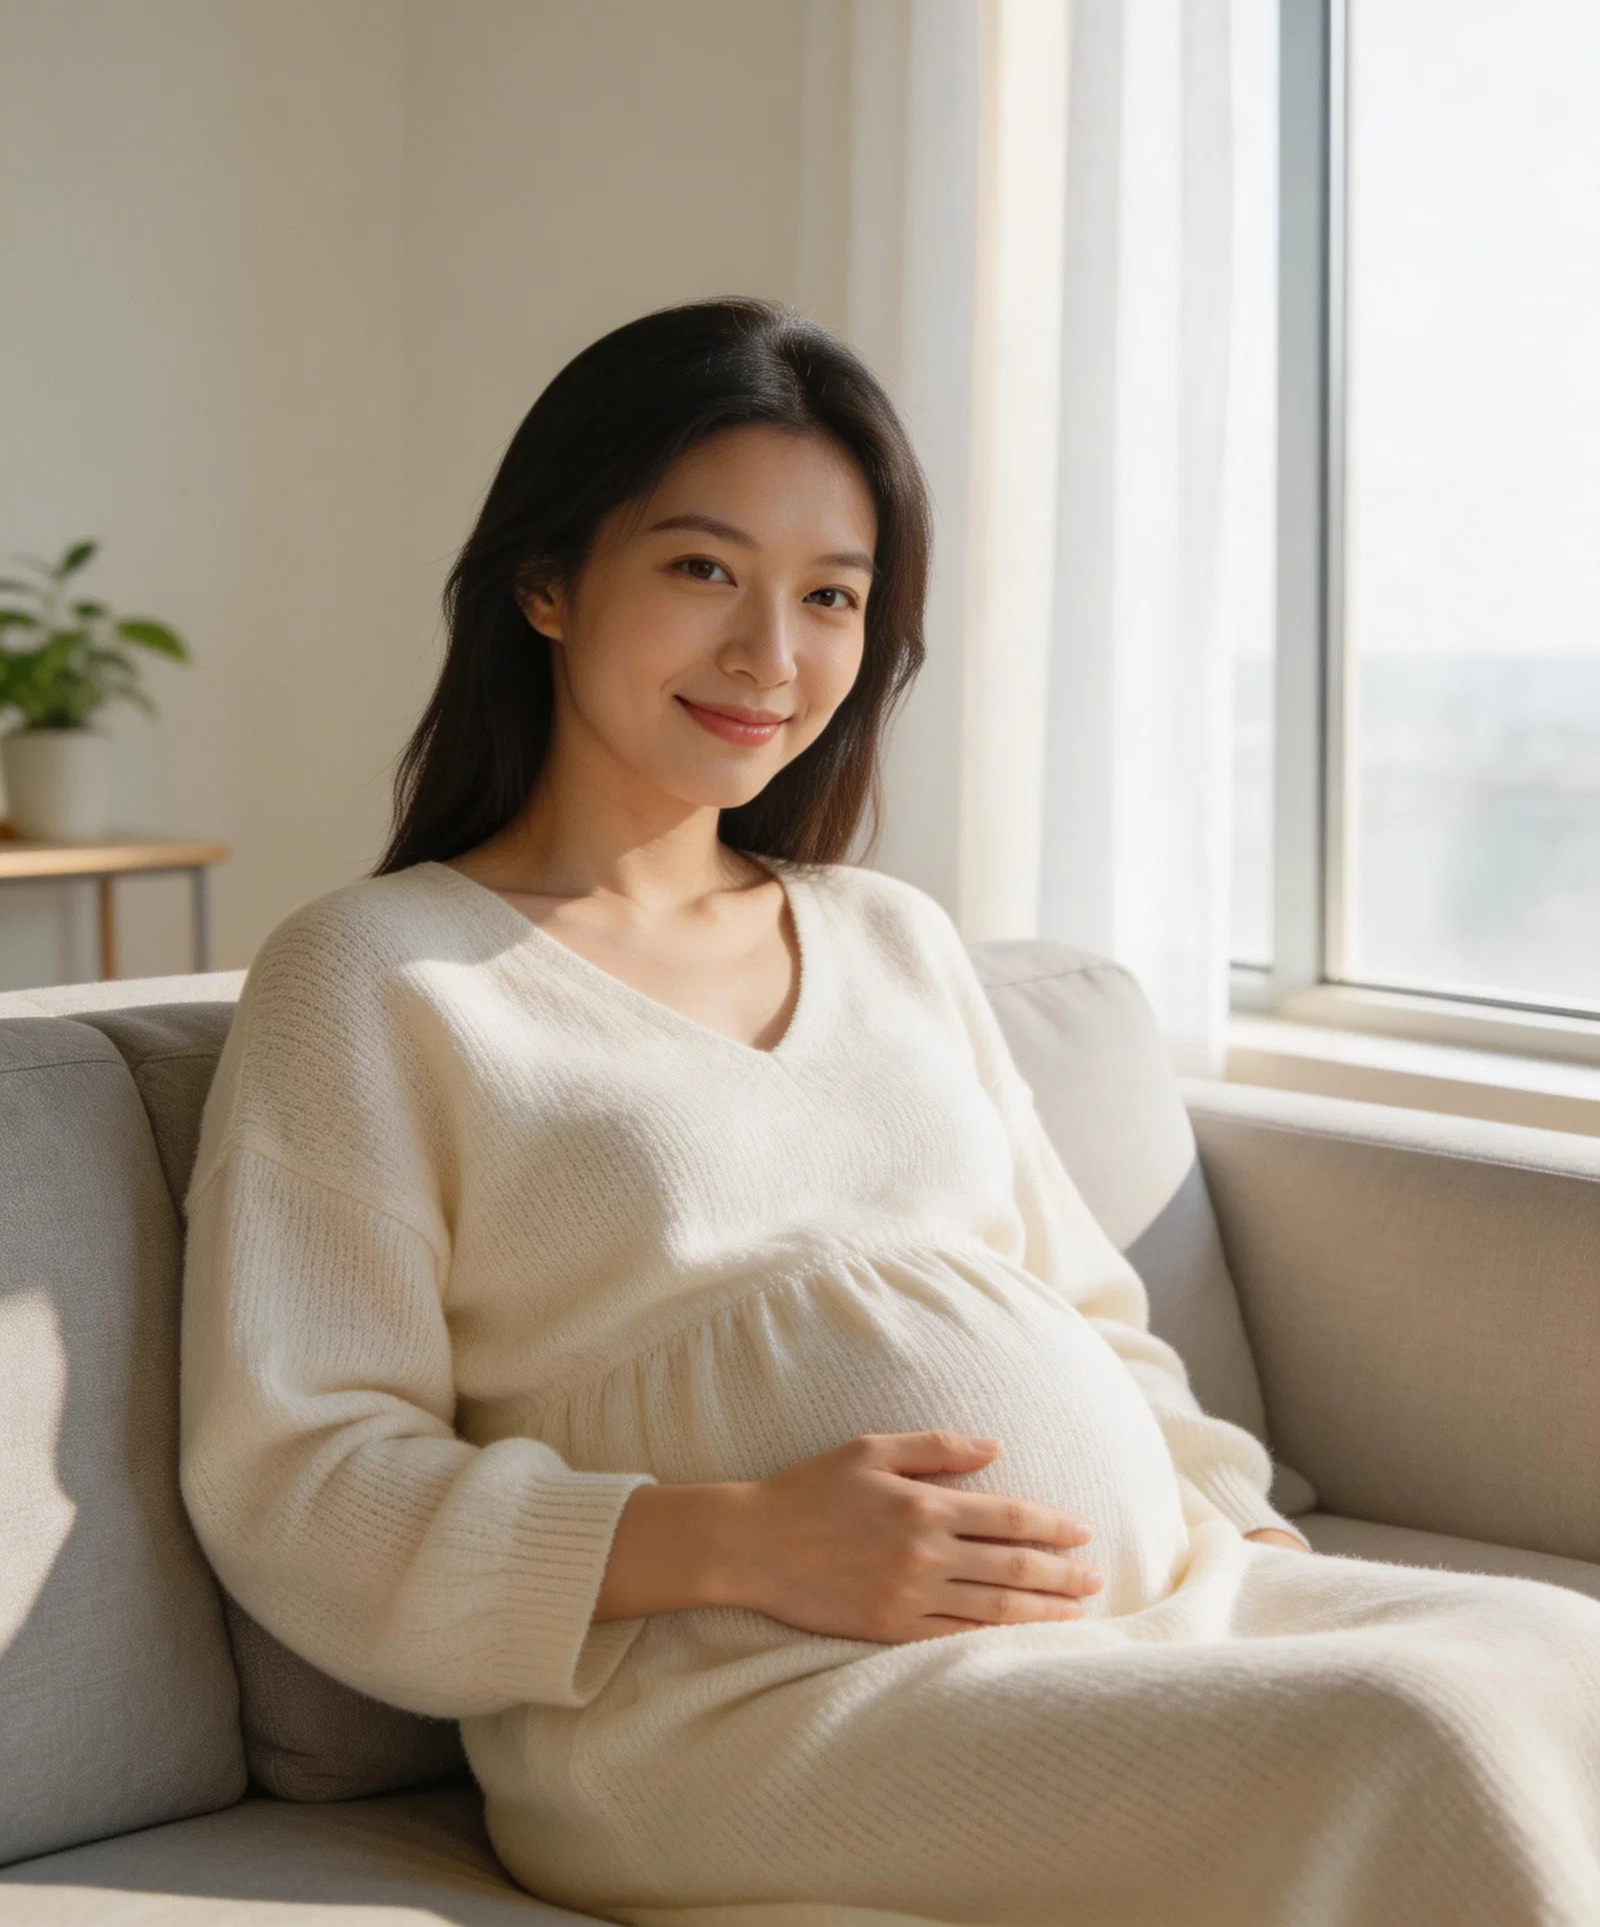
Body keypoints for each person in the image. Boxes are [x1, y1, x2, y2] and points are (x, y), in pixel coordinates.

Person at [179, 297, 1600, 1927]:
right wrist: (733, 1541)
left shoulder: (888, 934)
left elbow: (1091, 1319)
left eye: (832, 596)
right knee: (1421, 1740)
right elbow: (300, 1478)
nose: (771, 657)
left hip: (1137, 1627)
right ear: (548, 580)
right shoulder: (378, 976)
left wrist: (1244, 1553)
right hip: (734, 1709)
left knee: (1562, 1658)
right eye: (704, 569)